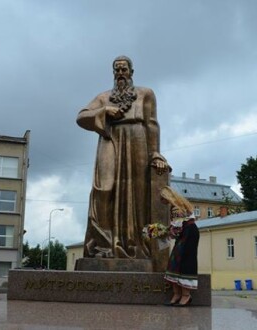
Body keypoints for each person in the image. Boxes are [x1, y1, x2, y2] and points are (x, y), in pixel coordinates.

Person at [77, 55, 169, 259]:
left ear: (131, 72)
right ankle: (104, 245)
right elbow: (81, 117)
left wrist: (155, 154)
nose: (120, 73)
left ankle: (135, 244)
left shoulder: (146, 94)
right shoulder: (103, 97)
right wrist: (105, 111)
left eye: (124, 69)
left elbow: (152, 123)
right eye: (116, 70)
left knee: (137, 191)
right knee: (104, 189)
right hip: (109, 138)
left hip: (137, 138)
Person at [161, 186, 199, 307]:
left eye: (162, 199)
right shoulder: (180, 204)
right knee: (176, 261)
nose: (162, 202)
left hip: (188, 234)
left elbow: (177, 229)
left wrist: (163, 232)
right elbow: (178, 226)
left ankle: (185, 295)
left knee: (183, 262)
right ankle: (177, 294)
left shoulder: (176, 208)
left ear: (167, 197)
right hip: (189, 232)